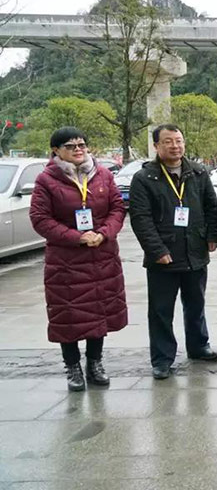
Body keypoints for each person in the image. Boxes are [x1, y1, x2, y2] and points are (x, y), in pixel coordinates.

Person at [29, 127, 127, 391]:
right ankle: (72, 366)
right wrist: (77, 237)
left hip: (102, 255)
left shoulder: (103, 175)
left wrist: (103, 233)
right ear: (56, 150)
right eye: (70, 146)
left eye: (82, 145)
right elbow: (40, 219)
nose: (78, 150)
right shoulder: (46, 180)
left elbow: (117, 209)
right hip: (66, 261)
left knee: (99, 311)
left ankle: (95, 363)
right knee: (68, 315)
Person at [129, 124, 217, 380]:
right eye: (168, 141)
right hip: (164, 256)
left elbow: (212, 208)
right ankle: (162, 358)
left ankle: (199, 346)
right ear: (156, 146)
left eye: (179, 141)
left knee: (196, 303)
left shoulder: (198, 172)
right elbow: (141, 219)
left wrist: (213, 237)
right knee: (161, 310)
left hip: (195, 250)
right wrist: (157, 250)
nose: (175, 146)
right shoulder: (144, 178)